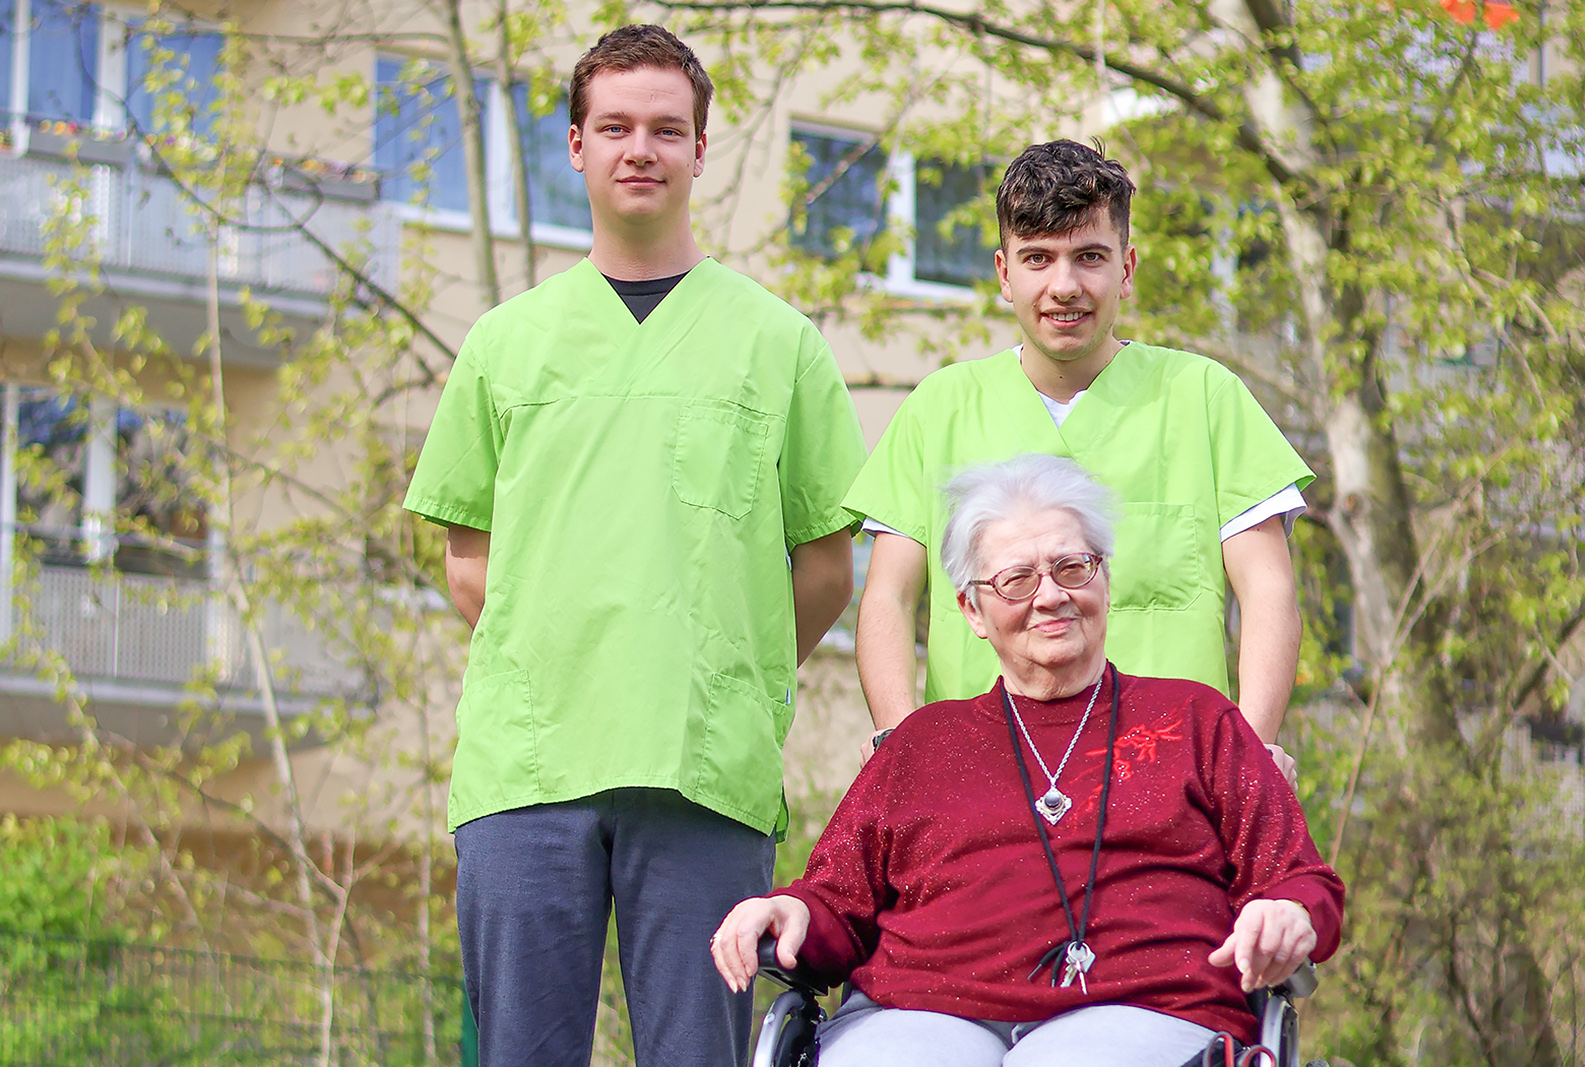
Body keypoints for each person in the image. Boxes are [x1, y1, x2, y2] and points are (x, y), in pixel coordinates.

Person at [402, 25, 867, 1067]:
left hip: (703, 768)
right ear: (575, 144)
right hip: (528, 769)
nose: (639, 148)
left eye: (666, 128)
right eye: (613, 126)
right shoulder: (504, 343)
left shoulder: (778, 345)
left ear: (701, 151)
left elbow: (826, 568)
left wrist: (717, 669)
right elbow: (468, 561)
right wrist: (565, 654)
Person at [711, 454, 1344, 1067]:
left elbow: (1299, 878)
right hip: (921, 1015)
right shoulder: (920, 744)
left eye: (1073, 567)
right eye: (1017, 580)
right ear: (971, 610)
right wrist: (791, 910)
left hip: (1149, 1006)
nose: (1051, 597)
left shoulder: (1197, 721)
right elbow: (837, 905)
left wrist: (1288, 913)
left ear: (1104, 578)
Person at [845, 140, 1313, 778]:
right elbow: (888, 598)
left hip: (1166, 782)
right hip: (980, 785)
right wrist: (901, 752)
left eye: (1089, 257)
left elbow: (1268, 590)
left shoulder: (1204, 399)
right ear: (1004, 273)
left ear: (1127, 268)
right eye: (1038, 258)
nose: (1064, 286)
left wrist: (1246, 760)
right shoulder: (940, 408)